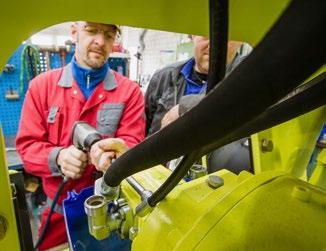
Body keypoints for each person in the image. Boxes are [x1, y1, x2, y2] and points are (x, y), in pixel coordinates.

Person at [16, 21, 145, 250]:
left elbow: (133, 145)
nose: (100, 41)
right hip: (58, 214)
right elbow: (27, 148)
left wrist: (115, 159)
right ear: (74, 32)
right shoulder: (41, 87)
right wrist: (58, 157)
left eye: (108, 34)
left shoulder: (130, 92)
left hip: (111, 210)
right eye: (92, 30)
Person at [145, 36, 253, 174]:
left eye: (229, 35)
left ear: (241, 40)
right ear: (192, 35)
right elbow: (146, 131)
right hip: (155, 177)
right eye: (205, 34)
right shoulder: (164, 77)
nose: (215, 43)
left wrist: (185, 107)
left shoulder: (251, 75)